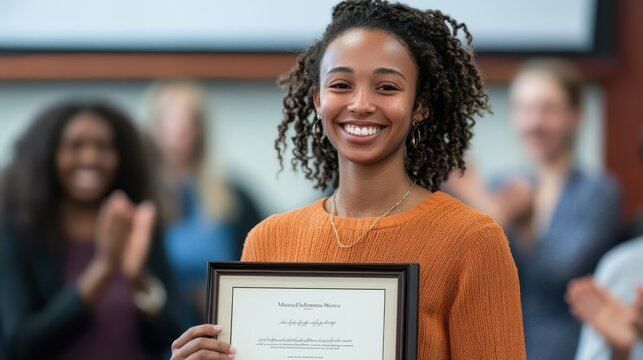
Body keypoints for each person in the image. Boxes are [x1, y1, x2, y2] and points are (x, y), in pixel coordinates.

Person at [170, 1, 525, 359]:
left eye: (387, 87)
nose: (360, 103)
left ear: (420, 106)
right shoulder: (269, 241)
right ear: (318, 100)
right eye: (341, 84)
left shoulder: (472, 241)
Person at [448, 58, 621, 359]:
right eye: (523, 109)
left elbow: (558, 277)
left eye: (548, 109)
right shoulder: (501, 184)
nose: (533, 123)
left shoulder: (597, 192)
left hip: (563, 348)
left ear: (576, 115)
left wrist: (508, 218)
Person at [0, 101, 182, 359]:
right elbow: (19, 344)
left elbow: (174, 335)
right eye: (75, 146)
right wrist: (103, 269)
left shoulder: (135, 227)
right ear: (49, 155)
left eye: (103, 147)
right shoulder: (19, 234)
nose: (90, 157)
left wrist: (138, 277)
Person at [143, 80, 263, 326]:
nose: (178, 131)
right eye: (169, 121)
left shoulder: (233, 197)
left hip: (227, 323)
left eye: (187, 121)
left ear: (200, 129)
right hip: (163, 330)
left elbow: (265, 262)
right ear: (153, 128)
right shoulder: (140, 199)